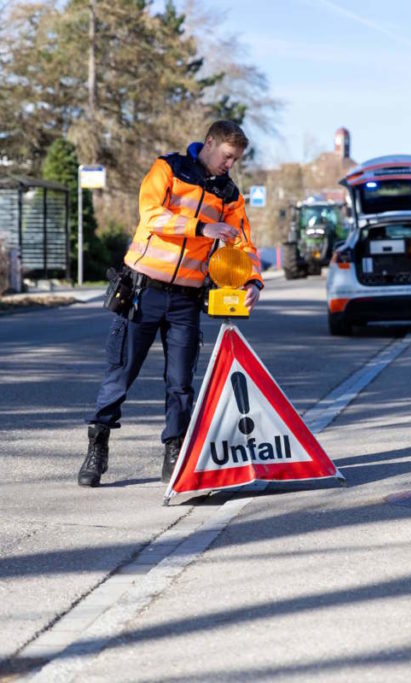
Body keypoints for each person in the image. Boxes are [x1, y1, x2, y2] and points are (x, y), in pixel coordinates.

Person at [78, 120, 263, 487]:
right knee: (121, 374)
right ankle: (97, 446)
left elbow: (242, 241)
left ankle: (175, 451)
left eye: (236, 160)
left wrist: (253, 279)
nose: (230, 165)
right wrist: (201, 228)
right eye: (227, 157)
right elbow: (151, 215)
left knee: (181, 383)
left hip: (185, 300)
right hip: (142, 292)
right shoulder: (169, 169)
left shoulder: (228, 194)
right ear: (209, 144)